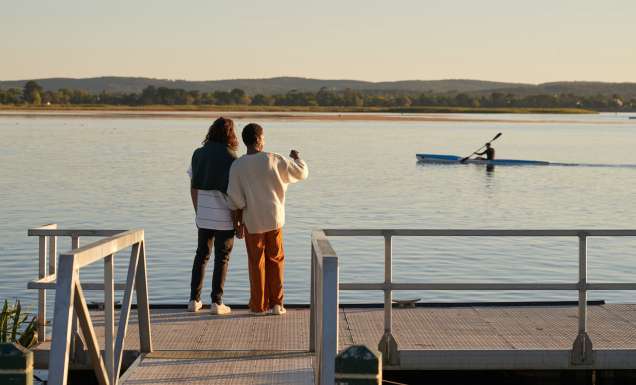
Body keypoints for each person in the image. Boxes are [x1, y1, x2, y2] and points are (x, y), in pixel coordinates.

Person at [227, 123, 308, 316]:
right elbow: (301, 173)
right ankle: (277, 305)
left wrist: (237, 224)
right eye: (263, 137)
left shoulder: (238, 165)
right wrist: (298, 158)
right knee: (276, 260)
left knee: (256, 263)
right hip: (274, 219)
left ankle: (258, 306)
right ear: (258, 139)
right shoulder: (274, 159)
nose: (264, 141)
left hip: (253, 221)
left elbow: (235, 200)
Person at [187, 117, 239, 315]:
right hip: (225, 217)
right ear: (230, 134)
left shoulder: (198, 154)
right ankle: (217, 302)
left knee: (201, 255)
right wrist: (238, 220)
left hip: (204, 214)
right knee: (222, 258)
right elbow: (234, 194)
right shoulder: (232, 158)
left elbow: (193, 187)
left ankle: (194, 300)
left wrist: (198, 211)